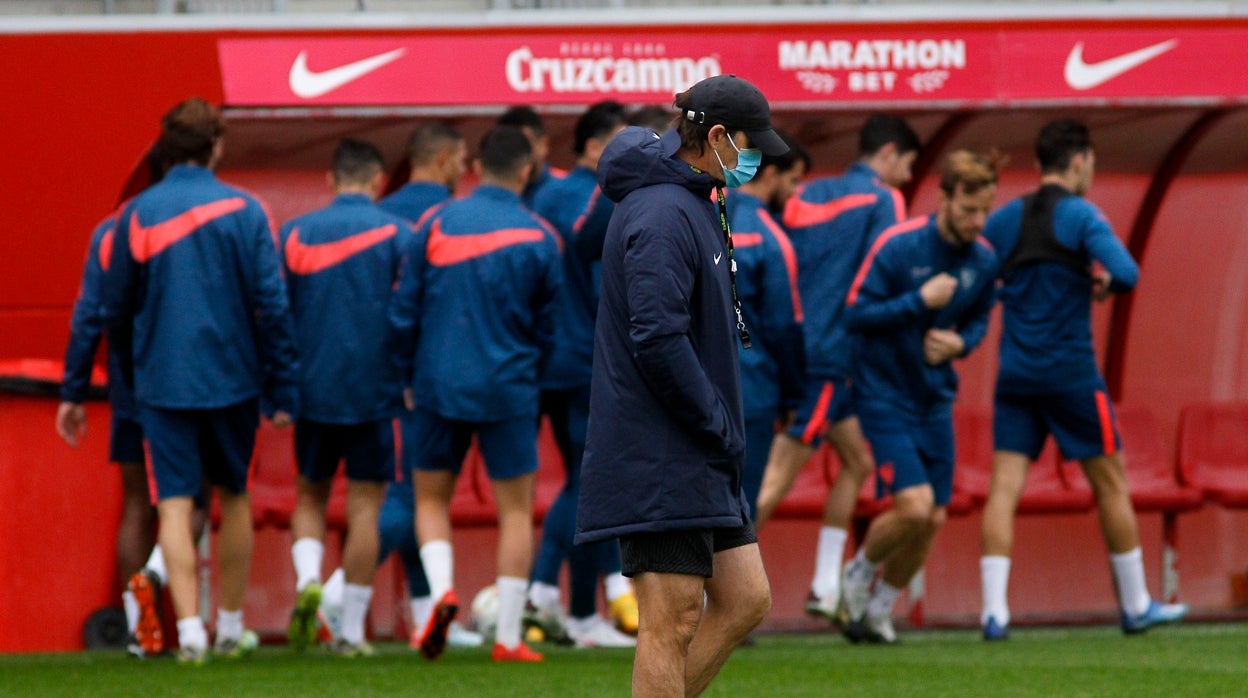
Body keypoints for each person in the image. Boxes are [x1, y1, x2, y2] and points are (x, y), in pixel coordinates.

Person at [576, 74, 786, 697]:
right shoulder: (663, 210)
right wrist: (716, 422)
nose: (757, 162)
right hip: (662, 450)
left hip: (697, 449)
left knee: (745, 598)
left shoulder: (695, 198)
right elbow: (658, 338)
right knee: (671, 622)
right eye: (750, 145)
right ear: (716, 136)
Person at [100, 97, 299, 664]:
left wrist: (133, 373)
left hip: (162, 382)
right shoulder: (247, 210)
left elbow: (116, 308)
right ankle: (230, 626)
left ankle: (187, 632)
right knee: (234, 498)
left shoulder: (137, 214)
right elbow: (272, 305)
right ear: (217, 147)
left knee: (173, 505)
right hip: (234, 379)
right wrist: (282, 386)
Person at [978, 119, 1187, 640]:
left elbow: (981, 273)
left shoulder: (1006, 218)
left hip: (1016, 375)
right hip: (1071, 373)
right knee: (1111, 482)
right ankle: (1136, 604)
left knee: (1004, 489)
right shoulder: (1081, 215)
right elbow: (1128, 272)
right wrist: (1101, 283)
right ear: (1077, 162)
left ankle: (994, 613)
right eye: (1090, 162)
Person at [389, 125, 562, 663]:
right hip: (509, 387)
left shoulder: (435, 224)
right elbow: (550, 330)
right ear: (527, 171)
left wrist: (406, 377)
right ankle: (508, 637)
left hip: (438, 384)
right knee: (515, 511)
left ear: (474, 167)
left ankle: (441, 592)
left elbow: (403, 312)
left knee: (430, 501)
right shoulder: (540, 236)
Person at [754, 114, 923, 621]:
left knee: (857, 463)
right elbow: (891, 270)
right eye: (909, 165)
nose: (910, 179)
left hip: (790, 347)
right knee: (774, 477)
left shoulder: (809, 192)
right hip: (830, 356)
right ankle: (706, 588)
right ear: (889, 154)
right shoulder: (885, 200)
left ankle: (827, 587)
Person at [322, 122, 482, 651]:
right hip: (431, 378)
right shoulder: (450, 217)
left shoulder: (384, 213)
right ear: (441, 160)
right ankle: (334, 590)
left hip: (376, 376)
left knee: (417, 493)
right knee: (412, 495)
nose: (464, 169)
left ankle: (425, 610)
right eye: (460, 158)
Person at [838, 150, 1001, 644]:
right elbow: (854, 316)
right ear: (945, 199)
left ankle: (881, 608)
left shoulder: (984, 260)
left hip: (933, 400)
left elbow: (977, 320)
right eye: (968, 209)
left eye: (984, 212)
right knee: (913, 505)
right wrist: (919, 303)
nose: (977, 221)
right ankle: (857, 575)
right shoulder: (899, 245)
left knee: (932, 516)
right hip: (882, 393)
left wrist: (961, 343)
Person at [279, 138, 412, 657]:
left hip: (311, 391)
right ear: (378, 181)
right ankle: (352, 628)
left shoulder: (293, 234)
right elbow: (406, 317)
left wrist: (283, 390)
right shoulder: (400, 236)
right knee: (365, 506)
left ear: (331, 181)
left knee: (309, 494)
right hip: (374, 392)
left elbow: (277, 316)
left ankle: (309, 581)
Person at [527, 100, 637, 649]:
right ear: (595, 148)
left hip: (547, 358)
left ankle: (546, 593)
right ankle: (574, 611)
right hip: (581, 359)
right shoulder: (587, 196)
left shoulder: (545, 194)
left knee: (578, 480)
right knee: (592, 484)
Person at [724, 132, 809, 516]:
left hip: (692, 389)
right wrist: (792, 398)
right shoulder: (772, 240)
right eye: (792, 181)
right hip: (752, 394)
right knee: (741, 511)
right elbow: (784, 328)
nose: (793, 194)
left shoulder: (703, 218)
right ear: (770, 174)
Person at [379, 121, 466, 223]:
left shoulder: (381, 210)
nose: (462, 170)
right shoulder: (456, 214)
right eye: (461, 161)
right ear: (443, 159)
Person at [498, 105, 565, 208]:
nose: (518, 153)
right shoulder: (493, 196)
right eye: (510, 146)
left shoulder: (565, 189)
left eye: (525, 144)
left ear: (543, 144)